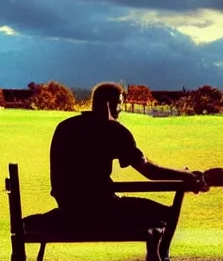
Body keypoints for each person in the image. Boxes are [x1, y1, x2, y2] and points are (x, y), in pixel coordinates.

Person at [49, 82, 207, 228]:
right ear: (110, 104)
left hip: (68, 209)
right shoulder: (113, 131)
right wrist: (187, 176)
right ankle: (157, 255)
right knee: (166, 214)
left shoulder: (65, 127)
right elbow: (149, 171)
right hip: (103, 210)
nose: (121, 109)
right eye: (120, 103)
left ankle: (155, 254)